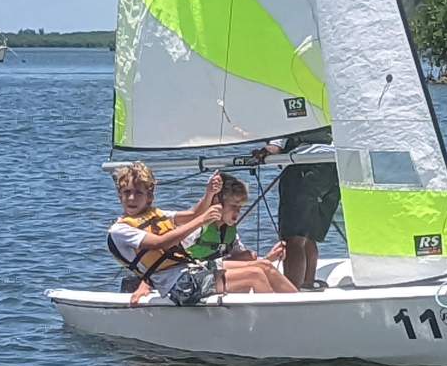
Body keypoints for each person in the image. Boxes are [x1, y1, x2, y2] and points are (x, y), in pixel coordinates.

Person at [106, 163, 281, 307]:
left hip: (192, 272)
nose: (131, 198)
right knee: (255, 276)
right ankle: (278, 325)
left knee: (260, 268)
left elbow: (192, 214)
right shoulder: (120, 230)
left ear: (149, 196)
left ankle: (297, 309)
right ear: (119, 196)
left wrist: (209, 193)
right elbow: (160, 243)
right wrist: (202, 221)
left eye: (138, 193)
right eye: (126, 193)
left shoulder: (156, 214)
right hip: (181, 286)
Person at [252, 128, 339, 289]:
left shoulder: (282, 115)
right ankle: (307, 283)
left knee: (294, 238)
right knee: (308, 234)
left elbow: (276, 146)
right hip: (333, 165)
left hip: (304, 165)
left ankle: (291, 289)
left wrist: (266, 150)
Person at [183, 174, 298, 294]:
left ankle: (296, 302)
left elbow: (247, 260)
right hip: (195, 274)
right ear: (217, 203)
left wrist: (269, 257)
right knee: (261, 268)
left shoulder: (228, 230)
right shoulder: (199, 227)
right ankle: (296, 306)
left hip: (213, 268)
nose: (238, 211)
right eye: (233, 206)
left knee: (250, 256)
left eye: (240, 207)